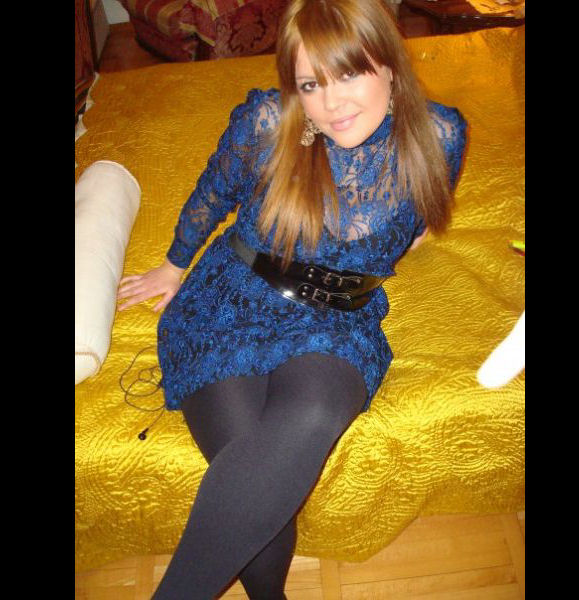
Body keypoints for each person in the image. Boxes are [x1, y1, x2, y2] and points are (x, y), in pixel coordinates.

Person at [117, 0, 467, 597]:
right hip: (232, 299)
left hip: (337, 316)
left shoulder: (439, 133)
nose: (331, 104)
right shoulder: (268, 124)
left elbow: (423, 212)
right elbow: (213, 193)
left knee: (312, 414)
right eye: (310, 84)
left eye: (348, 73)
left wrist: (400, 242)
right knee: (250, 457)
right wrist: (174, 266)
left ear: (389, 65)